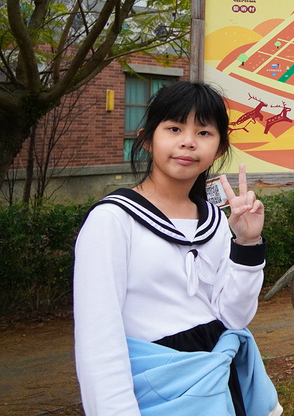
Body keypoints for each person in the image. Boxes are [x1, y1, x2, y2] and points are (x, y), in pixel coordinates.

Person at [73, 81, 282, 416]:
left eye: (203, 132)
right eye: (174, 128)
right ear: (146, 139)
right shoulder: (112, 221)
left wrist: (247, 243)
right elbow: (98, 342)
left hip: (218, 385)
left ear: (219, 148)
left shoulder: (214, 221)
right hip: (156, 390)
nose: (188, 141)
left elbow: (234, 318)